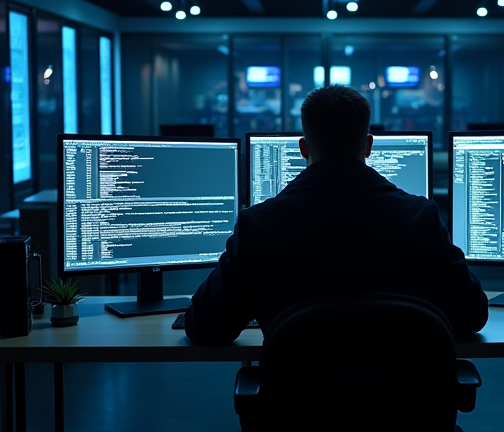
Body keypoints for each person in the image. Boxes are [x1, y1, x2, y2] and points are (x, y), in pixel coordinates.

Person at [185, 84, 488, 346]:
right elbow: (472, 316)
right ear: (369, 145)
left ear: (303, 148)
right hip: (403, 409)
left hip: (299, 410)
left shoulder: (258, 225)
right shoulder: (421, 217)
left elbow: (205, 328)